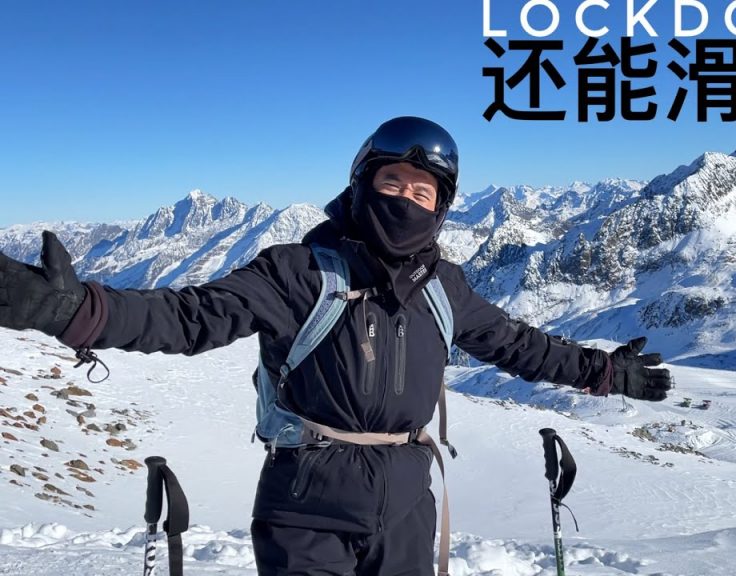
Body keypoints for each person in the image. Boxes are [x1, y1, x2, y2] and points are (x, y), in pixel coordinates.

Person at [0, 116, 672, 575]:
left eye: (424, 192)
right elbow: (192, 316)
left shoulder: (446, 288)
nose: (406, 200)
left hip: (408, 507)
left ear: (441, 208)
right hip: (306, 508)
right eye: (392, 183)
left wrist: (604, 371)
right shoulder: (298, 273)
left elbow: (518, 346)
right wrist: (80, 311)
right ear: (361, 185)